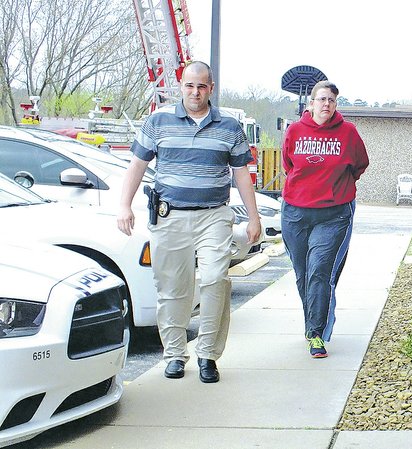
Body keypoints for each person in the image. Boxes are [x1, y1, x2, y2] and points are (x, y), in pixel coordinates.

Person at [117, 61, 261, 383]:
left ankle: (208, 354)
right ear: (181, 87)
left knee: (215, 279)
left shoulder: (229, 127)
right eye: (189, 86)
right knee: (172, 289)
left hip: (213, 216)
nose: (195, 92)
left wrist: (254, 217)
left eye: (201, 86)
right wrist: (124, 206)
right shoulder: (158, 121)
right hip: (171, 218)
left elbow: (241, 174)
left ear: (211, 88)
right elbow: (137, 165)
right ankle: (174, 355)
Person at [281, 80, 369, 358]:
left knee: (319, 271)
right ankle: (312, 324)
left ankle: (315, 333)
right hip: (295, 212)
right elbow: (288, 164)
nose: (326, 104)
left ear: (335, 104)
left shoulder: (348, 133)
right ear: (311, 104)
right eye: (321, 99)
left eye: (331, 100)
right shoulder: (295, 131)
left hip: (333, 214)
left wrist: (335, 187)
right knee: (302, 274)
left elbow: (359, 165)